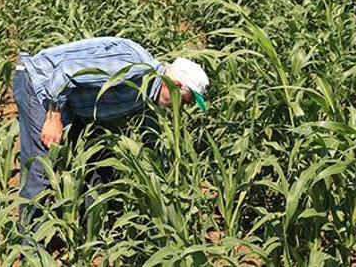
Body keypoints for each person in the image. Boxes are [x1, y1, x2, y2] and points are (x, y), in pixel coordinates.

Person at [12, 36, 209, 236]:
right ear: (174, 84)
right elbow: (66, 72)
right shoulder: (134, 69)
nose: (183, 108)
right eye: (185, 101)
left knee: (99, 160)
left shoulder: (148, 93)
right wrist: (54, 117)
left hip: (74, 102)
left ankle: (93, 232)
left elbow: (152, 138)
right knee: (41, 169)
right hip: (42, 86)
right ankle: (30, 246)